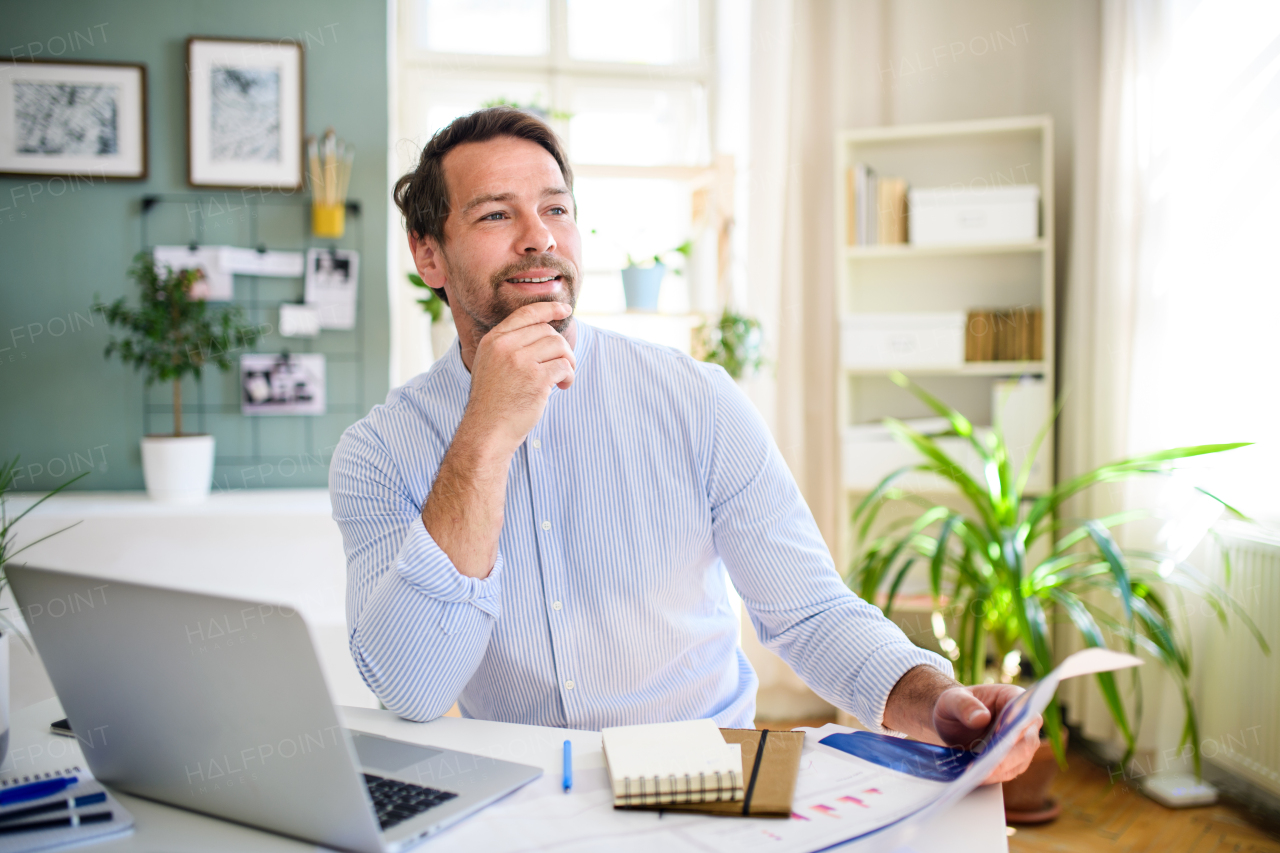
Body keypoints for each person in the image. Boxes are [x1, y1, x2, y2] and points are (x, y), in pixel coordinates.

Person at [330, 107, 1040, 783]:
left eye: (555, 208)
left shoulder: (697, 399)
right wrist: (484, 434)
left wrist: (937, 699)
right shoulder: (379, 453)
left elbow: (811, 612)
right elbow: (414, 686)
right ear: (430, 255)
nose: (538, 236)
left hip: (705, 775)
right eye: (495, 213)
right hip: (527, 793)